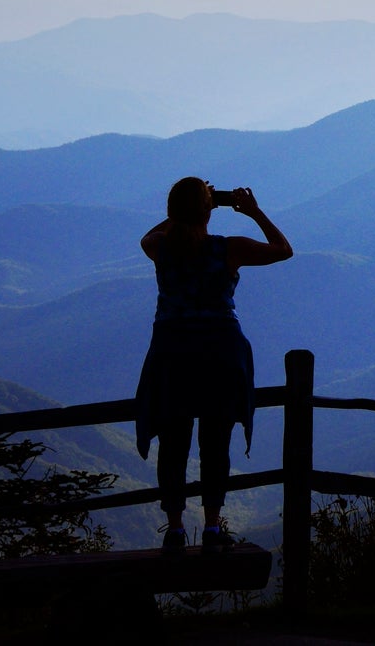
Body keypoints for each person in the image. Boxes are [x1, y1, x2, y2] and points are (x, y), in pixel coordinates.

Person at [135, 176, 292, 554]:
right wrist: (252, 211)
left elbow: (148, 236)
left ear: (172, 212)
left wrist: (189, 209)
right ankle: (210, 527)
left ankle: (174, 528)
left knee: (173, 442)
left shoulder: (160, 247)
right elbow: (282, 249)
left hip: (172, 352)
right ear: (208, 211)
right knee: (215, 441)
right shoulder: (228, 249)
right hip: (220, 352)